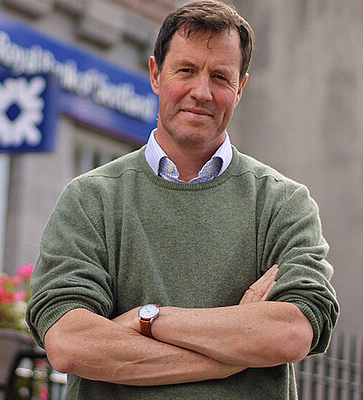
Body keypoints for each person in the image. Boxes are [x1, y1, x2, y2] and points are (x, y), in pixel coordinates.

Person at [25, 1, 339, 398]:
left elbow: (292, 332)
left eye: (220, 77)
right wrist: (235, 350)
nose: (201, 92)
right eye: (186, 70)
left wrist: (144, 318)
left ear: (240, 88)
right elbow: (70, 343)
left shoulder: (283, 205)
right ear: (156, 74)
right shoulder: (91, 199)